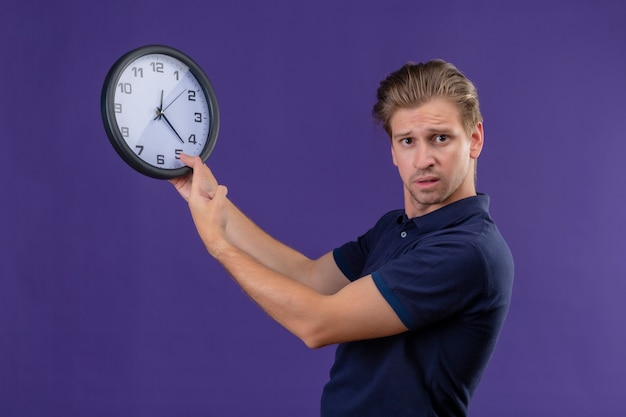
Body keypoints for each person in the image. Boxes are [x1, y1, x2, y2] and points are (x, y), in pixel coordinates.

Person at [170, 59, 514, 417]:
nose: (423, 158)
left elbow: (317, 323)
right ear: (393, 152)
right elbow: (310, 277)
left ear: (474, 139)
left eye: (440, 138)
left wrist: (219, 246)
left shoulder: (468, 250)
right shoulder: (396, 227)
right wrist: (213, 205)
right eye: (408, 141)